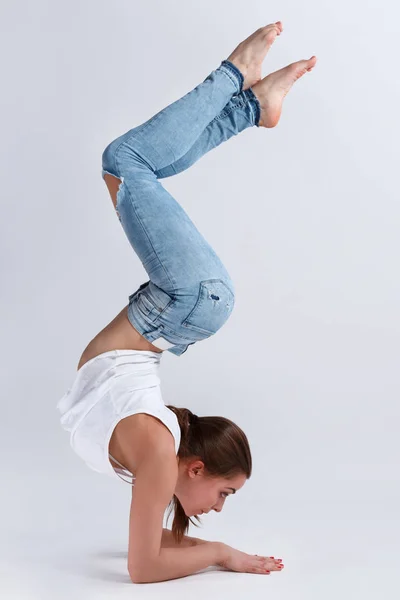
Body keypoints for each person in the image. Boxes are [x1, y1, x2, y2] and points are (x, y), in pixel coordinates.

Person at [56, 22, 317, 583]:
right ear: (195, 467)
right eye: (224, 492)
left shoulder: (154, 452)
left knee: (129, 164)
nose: (218, 508)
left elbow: (147, 558)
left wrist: (216, 549)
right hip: (187, 301)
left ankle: (251, 103)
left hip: (182, 305)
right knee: (124, 161)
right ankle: (237, 85)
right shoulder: (156, 447)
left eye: (226, 498)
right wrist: (221, 551)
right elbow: (147, 564)